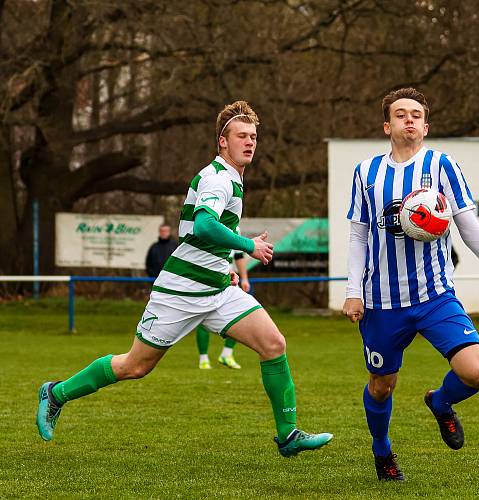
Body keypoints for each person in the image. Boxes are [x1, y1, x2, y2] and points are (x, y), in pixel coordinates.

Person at [37, 100, 333, 457]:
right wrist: (247, 246)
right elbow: (207, 224)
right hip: (180, 290)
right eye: (241, 136)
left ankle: (288, 436)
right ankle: (55, 393)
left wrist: (225, 264)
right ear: (222, 141)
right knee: (135, 366)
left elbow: (200, 232)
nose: (250, 142)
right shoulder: (218, 177)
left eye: (253, 136)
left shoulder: (232, 178)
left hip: (218, 290)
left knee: (274, 345)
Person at [341, 88, 479, 481]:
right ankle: (383, 453)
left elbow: (468, 226)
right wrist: (353, 291)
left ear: (425, 126)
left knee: (475, 372)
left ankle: (441, 403)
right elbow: (359, 235)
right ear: (387, 125)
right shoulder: (366, 173)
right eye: (400, 114)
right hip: (382, 302)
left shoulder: (443, 165)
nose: (408, 120)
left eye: (415, 115)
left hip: (434, 295)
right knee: (381, 387)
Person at [196, 252, 250, 369]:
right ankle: (203, 359)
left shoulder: (236, 232)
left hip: (230, 282)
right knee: (202, 317)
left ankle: (227, 354)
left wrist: (245, 279)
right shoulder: (207, 233)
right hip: (208, 281)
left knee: (239, 316)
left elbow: (239, 256)